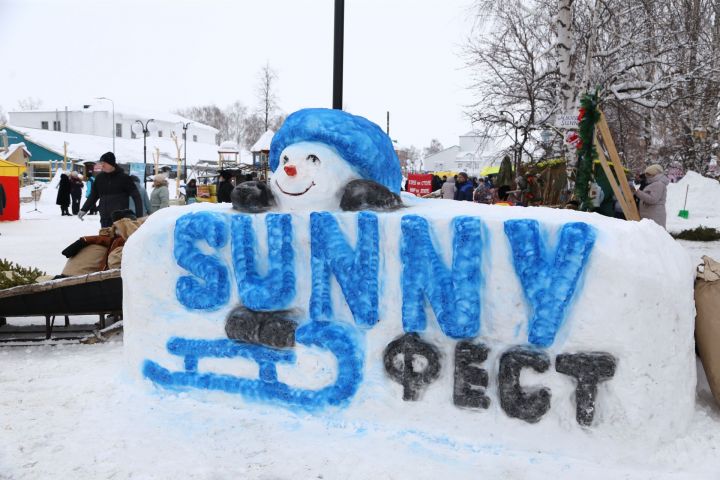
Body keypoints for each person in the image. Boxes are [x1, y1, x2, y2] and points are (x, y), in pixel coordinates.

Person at [79, 152, 142, 228]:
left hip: (120, 219)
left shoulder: (124, 178)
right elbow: (93, 195)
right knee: (105, 239)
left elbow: (137, 197)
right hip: (104, 218)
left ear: (111, 163)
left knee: (118, 240)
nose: (102, 165)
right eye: (101, 163)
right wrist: (84, 209)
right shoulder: (99, 178)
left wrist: (139, 216)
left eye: (104, 163)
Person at [633, 164, 669, 228]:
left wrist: (637, 192)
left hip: (654, 216)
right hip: (651, 215)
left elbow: (653, 199)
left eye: (648, 174)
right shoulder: (654, 183)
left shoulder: (658, 184)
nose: (646, 176)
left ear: (654, 174)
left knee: (655, 235)